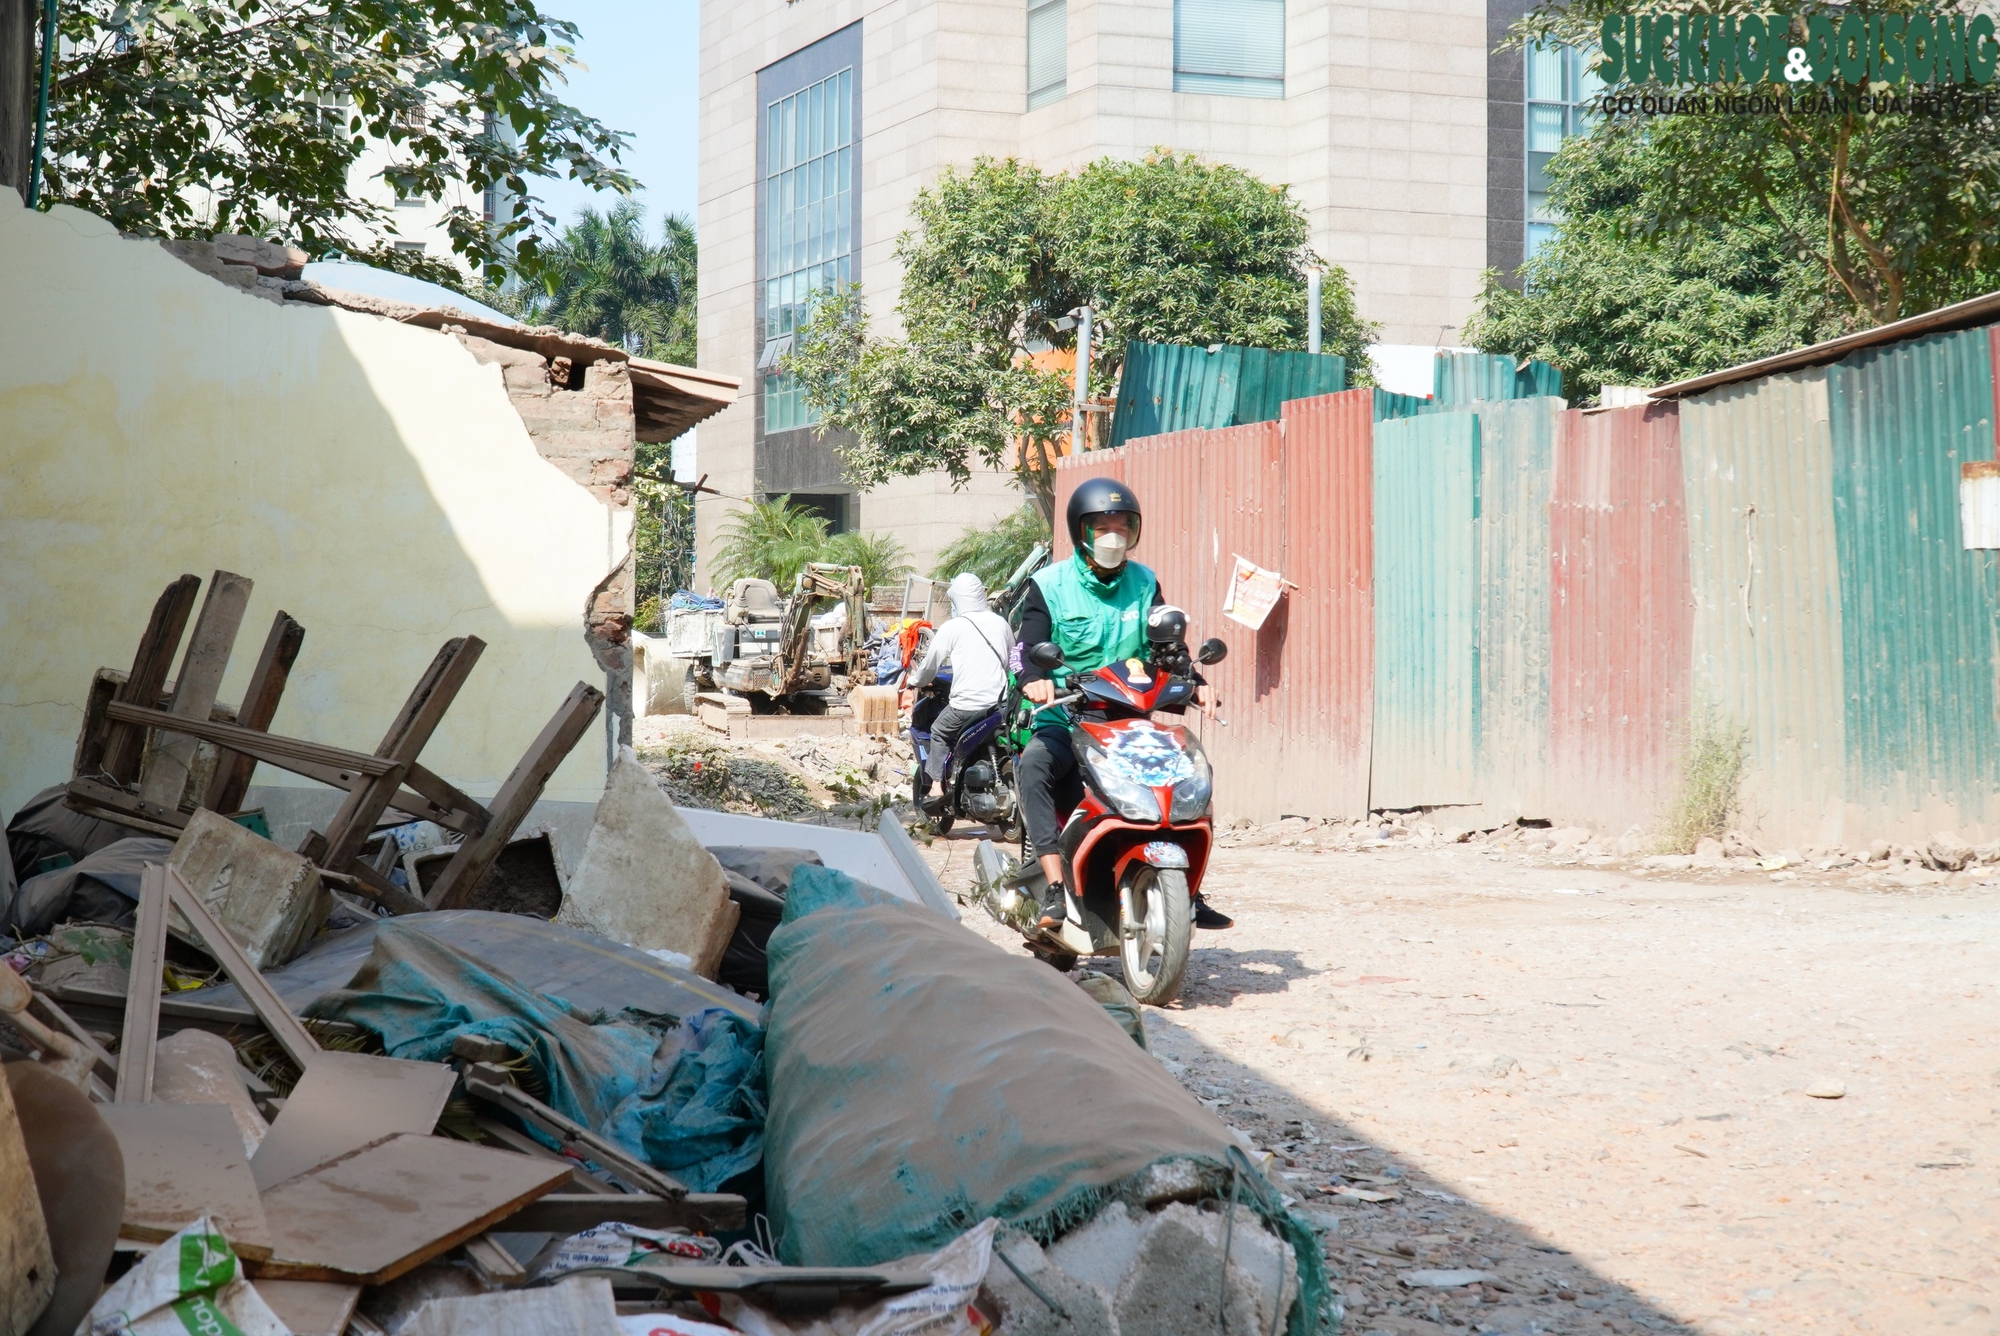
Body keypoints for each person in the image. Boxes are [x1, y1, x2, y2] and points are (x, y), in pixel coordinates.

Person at [1017, 478, 1234, 933]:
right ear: (1082, 532)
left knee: (1189, 772)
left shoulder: (1145, 581)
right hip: (1070, 717)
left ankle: (1187, 891)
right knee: (1034, 765)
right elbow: (1029, 646)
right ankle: (1056, 886)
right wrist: (1035, 680)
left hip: (1128, 722)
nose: (1113, 534)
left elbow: (1167, 649)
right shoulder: (1048, 585)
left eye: (1122, 524)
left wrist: (1196, 683)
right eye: (1102, 525)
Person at [904, 572, 1014, 810]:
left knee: (939, 730)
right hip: (1001, 704)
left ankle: (935, 786)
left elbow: (930, 666)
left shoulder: (953, 627)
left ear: (958, 599)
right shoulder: (1001, 623)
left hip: (966, 705)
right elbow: (1012, 661)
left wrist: (915, 680)